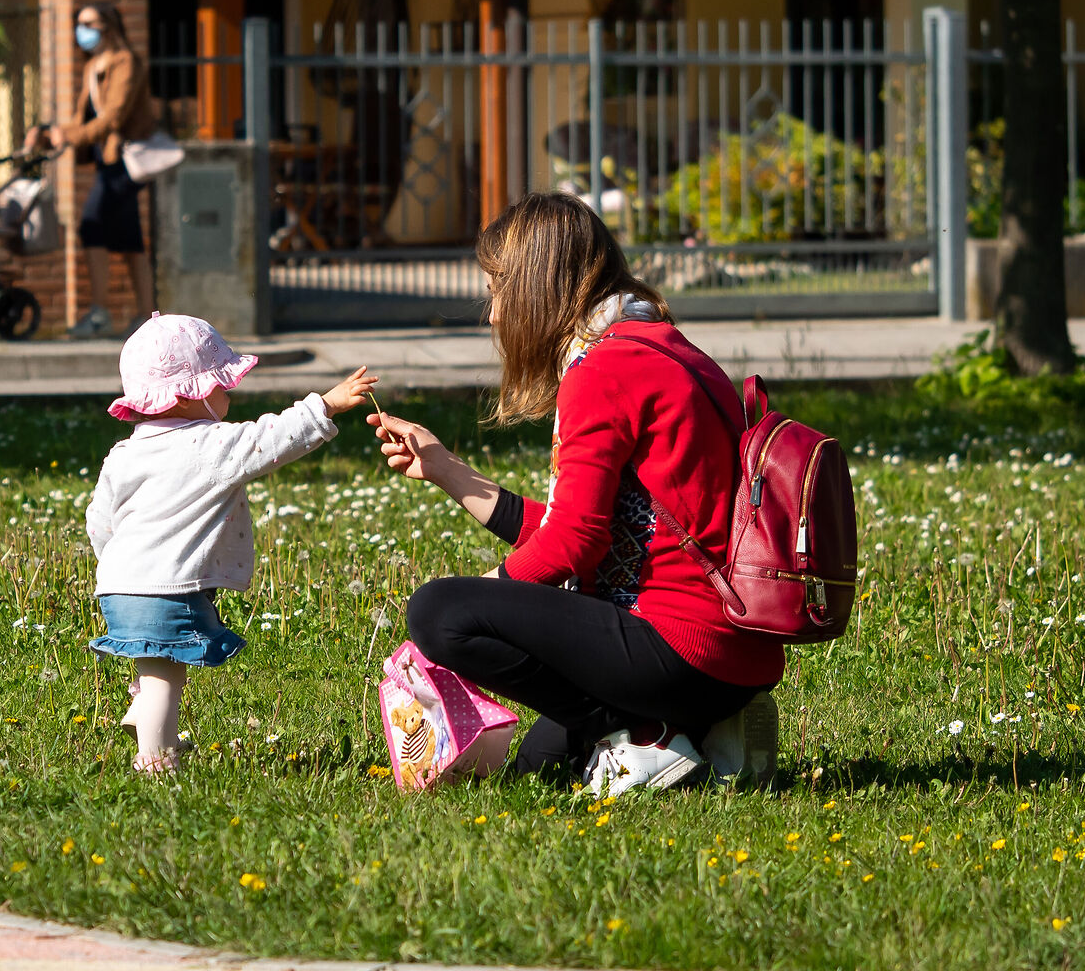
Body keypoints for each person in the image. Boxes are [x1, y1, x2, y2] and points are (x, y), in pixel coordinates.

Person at [368, 194, 782, 795]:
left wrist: (489, 591)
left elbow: (575, 543)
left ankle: (644, 738)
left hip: (679, 644)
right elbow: (592, 528)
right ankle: (707, 726)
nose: (492, 315)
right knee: (542, 766)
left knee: (437, 612)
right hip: (730, 649)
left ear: (537, 287)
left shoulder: (603, 370)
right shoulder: (665, 347)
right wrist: (448, 471)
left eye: (498, 291)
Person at [87, 313, 378, 773]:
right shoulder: (211, 446)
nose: (230, 393)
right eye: (222, 385)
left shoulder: (123, 454)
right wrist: (327, 405)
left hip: (116, 588)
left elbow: (99, 521)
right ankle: (156, 760)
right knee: (168, 675)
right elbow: (274, 437)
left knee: (152, 661)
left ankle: (143, 713)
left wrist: (117, 566)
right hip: (165, 590)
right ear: (194, 394)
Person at [31, 1, 158, 340]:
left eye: (89, 23)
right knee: (130, 241)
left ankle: (101, 312)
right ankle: (148, 317)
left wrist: (69, 135)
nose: (81, 30)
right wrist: (52, 135)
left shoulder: (125, 62)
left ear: (109, 27)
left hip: (124, 161)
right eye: (79, 23)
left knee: (91, 225)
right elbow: (82, 119)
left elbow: (113, 118)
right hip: (107, 161)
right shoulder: (93, 66)